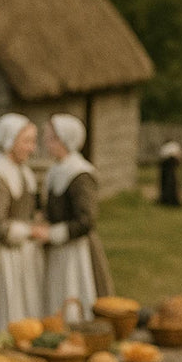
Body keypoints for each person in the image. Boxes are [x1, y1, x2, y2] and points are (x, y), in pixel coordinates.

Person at [0, 113, 47, 336]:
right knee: (1, 317)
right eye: (27, 141)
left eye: (33, 141)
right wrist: (30, 231)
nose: (32, 148)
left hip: (24, 255)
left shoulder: (23, 171)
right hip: (0, 257)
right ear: (10, 140)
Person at [42, 114, 114, 317]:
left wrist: (52, 234)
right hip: (58, 250)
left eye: (52, 138)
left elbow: (86, 220)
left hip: (77, 250)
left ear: (66, 140)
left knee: (76, 296)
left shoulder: (80, 173)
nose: (47, 143)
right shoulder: (56, 170)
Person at [158, 140, 182, 206]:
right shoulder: (174, 146)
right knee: (170, 183)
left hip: (168, 166)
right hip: (169, 166)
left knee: (169, 183)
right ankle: (169, 199)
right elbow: (178, 157)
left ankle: (168, 199)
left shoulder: (168, 147)